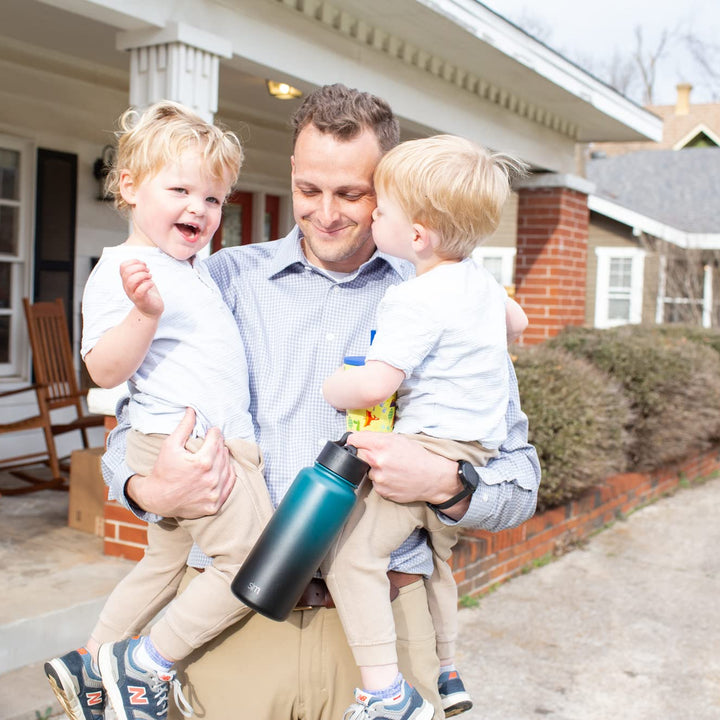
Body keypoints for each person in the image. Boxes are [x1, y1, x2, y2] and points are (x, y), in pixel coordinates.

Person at [100, 84, 541, 720]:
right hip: (235, 619)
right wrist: (148, 490)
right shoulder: (220, 280)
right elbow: (130, 429)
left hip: (382, 630)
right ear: (291, 177)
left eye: (353, 194)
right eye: (309, 190)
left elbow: (520, 479)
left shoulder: (450, 298)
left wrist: (450, 482)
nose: (327, 213)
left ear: (388, 192)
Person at [43, 100, 275, 720]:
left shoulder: (191, 266)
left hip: (193, 440)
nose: (198, 209)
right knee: (253, 562)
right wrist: (144, 316)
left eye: (214, 198)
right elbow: (103, 369)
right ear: (129, 187)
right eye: (180, 189)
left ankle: (92, 662)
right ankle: (148, 665)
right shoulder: (125, 270)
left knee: (164, 566)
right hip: (183, 445)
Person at [321, 134, 528, 719]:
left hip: (427, 444)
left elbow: (373, 385)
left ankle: (385, 694)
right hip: (475, 449)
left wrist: (332, 385)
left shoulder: (413, 299)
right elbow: (519, 320)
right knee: (429, 555)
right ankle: (448, 668)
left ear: (417, 235)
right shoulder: (480, 282)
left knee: (352, 556)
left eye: (380, 208)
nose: (371, 216)